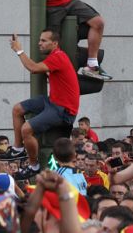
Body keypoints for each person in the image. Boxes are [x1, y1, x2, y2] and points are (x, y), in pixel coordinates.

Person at [6, 29, 80, 180]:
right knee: (17, 109)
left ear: (55, 43)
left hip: (63, 110)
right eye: (39, 40)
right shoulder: (54, 56)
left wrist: (19, 50)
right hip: (52, 101)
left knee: (26, 129)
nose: (39, 43)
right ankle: (18, 148)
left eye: (44, 41)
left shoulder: (58, 56)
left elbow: (33, 68)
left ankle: (34, 166)